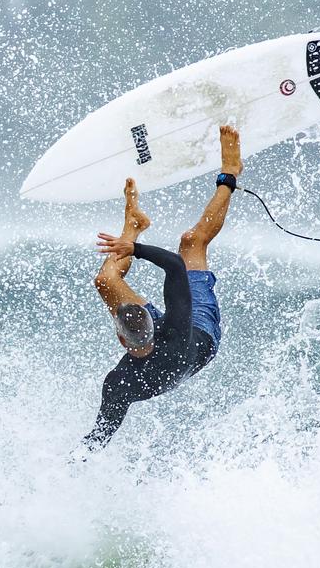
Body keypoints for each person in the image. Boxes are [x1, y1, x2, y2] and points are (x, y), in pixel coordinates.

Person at [82, 124, 243, 451]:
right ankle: (231, 171)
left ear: (121, 337)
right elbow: (174, 265)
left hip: (172, 347)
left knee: (105, 282)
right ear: (153, 320)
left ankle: (133, 227)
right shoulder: (177, 325)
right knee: (192, 242)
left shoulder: (118, 383)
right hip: (200, 336)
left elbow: (96, 441)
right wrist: (137, 252)